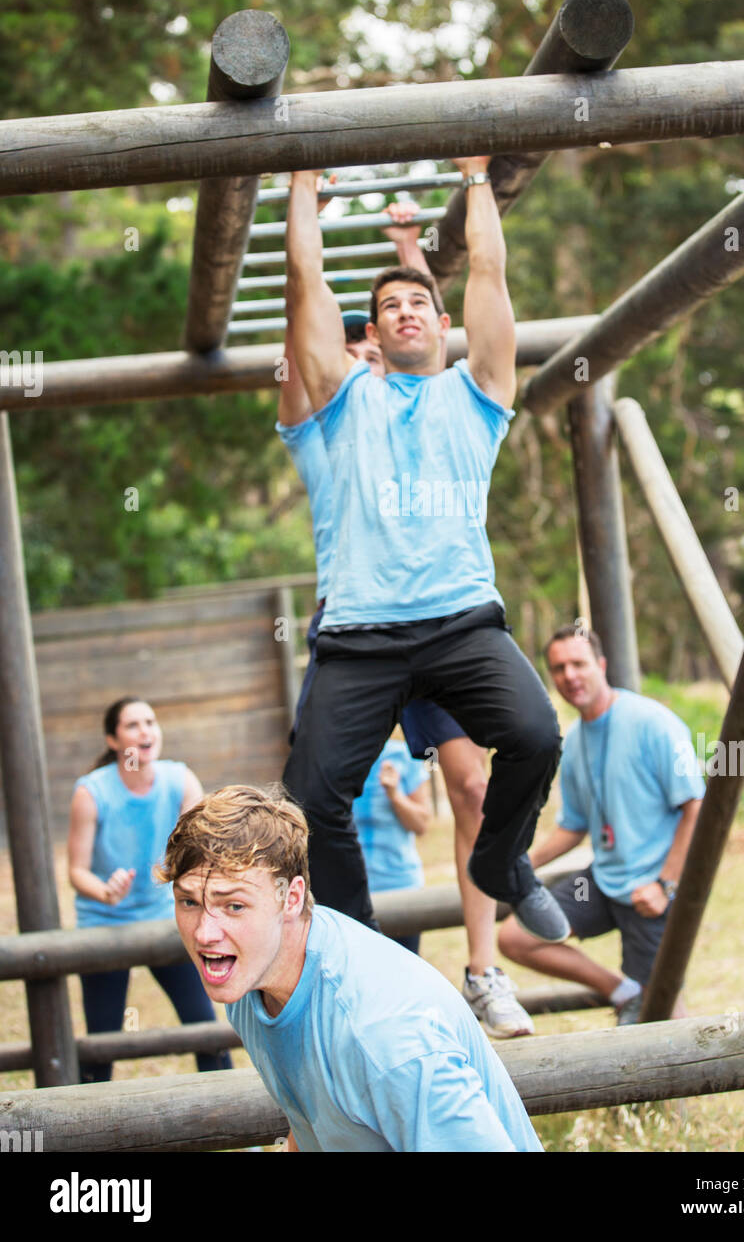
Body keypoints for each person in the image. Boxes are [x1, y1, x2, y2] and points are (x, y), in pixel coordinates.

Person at [281, 159, 566, 947]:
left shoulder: (478, 394)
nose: (406, 311)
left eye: (418, 302)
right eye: (389, 307)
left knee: (537, 735)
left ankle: (503, 863)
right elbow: (306, 280)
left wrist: (478, 179)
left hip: (460, 625)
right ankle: (361, 942)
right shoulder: (345, 399)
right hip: (360, 639)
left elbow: (488, 268)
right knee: (309, 798)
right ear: (369, 335)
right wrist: (304, 185)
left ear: (442, 326)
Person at [163, 785, 543, 1153]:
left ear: (291, 899)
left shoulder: (384, 1038)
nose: (204, 933)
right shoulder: (251, 976)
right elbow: (314, 1117)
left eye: (234, 906)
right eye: (189, 902)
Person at [498, 627, 705, 1025]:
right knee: (516, 937)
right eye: (559, 668)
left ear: (602, 665)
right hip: (602, 881)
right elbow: (574, 827)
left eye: (579, 663)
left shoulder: (651, 722)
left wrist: (665, 884)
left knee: (660, 1009)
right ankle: (619, 990)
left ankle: (690, 1076)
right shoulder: (572, 742)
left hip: (654, 886)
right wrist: (520, 861)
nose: (570, 676)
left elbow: (696, 806)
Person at [67, 697, 232, 1082]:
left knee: (204, 1027)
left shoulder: (180, 780)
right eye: (132, 725)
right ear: (112, 739)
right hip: (104, 922)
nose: (146, 731)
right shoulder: (91, 792)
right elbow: (76, 871)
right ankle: (84, 1125)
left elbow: (200, 852)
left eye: (150, 722)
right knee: (102, 1040)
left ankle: (241, 1132)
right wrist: (105, 891)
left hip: (164, 920)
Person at [352, 734, 431, 955]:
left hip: (401, 885)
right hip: (355, 891)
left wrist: (395, 795)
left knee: (406, 978)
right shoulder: (340, 758)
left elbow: (422, 824)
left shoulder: (403, 755)